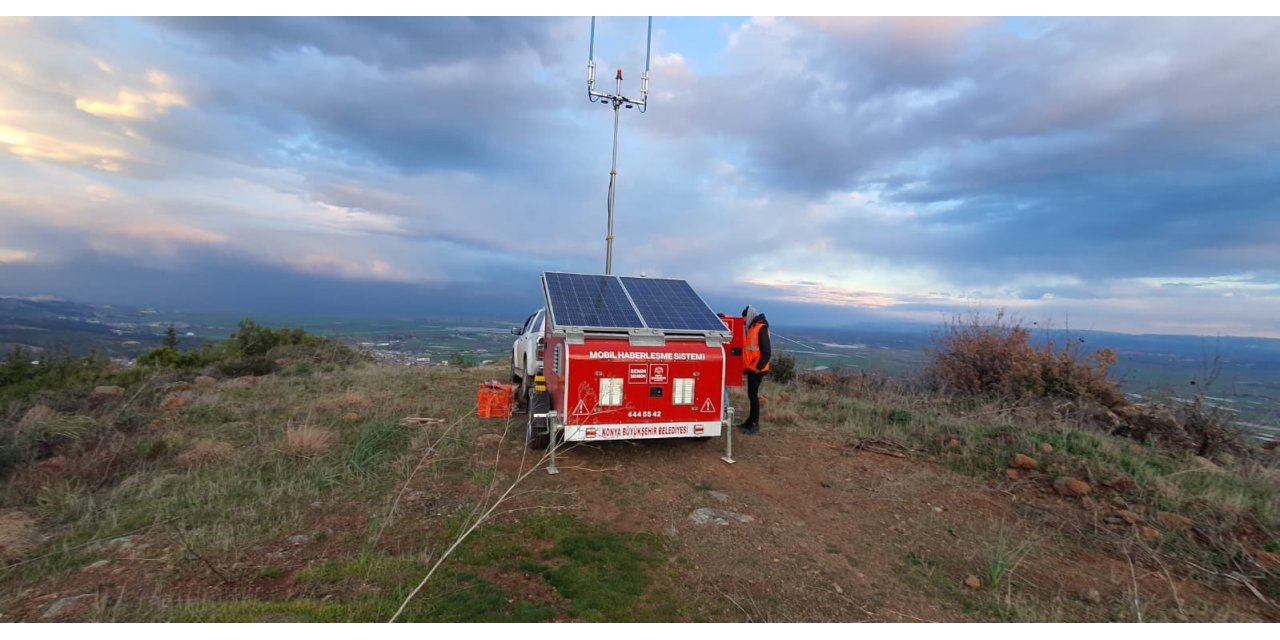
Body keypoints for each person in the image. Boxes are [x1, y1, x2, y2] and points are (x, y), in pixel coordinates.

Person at [737, 304, 771, 434]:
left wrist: (758, 367)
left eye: (744, 317)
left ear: (749, 316)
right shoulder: (752, 327)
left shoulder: (760, 328)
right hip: (752, 368)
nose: (743, 320)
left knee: (753, 395)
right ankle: (749, 421)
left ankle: (754, 424)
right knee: (751, 395)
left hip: (758, 369)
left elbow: (767, 351)